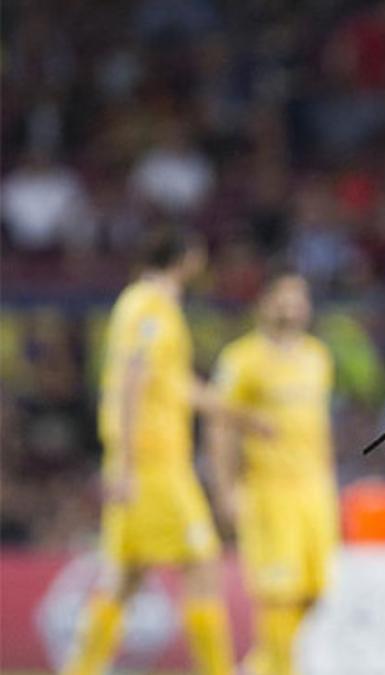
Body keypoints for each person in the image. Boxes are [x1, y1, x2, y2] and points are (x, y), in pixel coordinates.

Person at [62, 229, 234, 675]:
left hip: (154, 459)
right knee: (202, 561)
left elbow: (171, 384)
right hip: (153, 463)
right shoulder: (149, 305)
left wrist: (237, 411)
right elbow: (134, 378)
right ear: (187, 257)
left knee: (125, 576)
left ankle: (81, 668)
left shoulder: (148, 304)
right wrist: (124, 463)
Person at [209, 272, 338, 675]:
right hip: (269, 491)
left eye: (298, 298)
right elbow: (220, 427)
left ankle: (257, 667)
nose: (292, 305)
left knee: (315, 592)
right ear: (264, 303)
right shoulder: (240, 359)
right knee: (278, 596)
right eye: (283, 297)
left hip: (315, 491)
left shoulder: (318, 356)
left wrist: (330, 481)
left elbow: (321, 425)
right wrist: (226, 490)